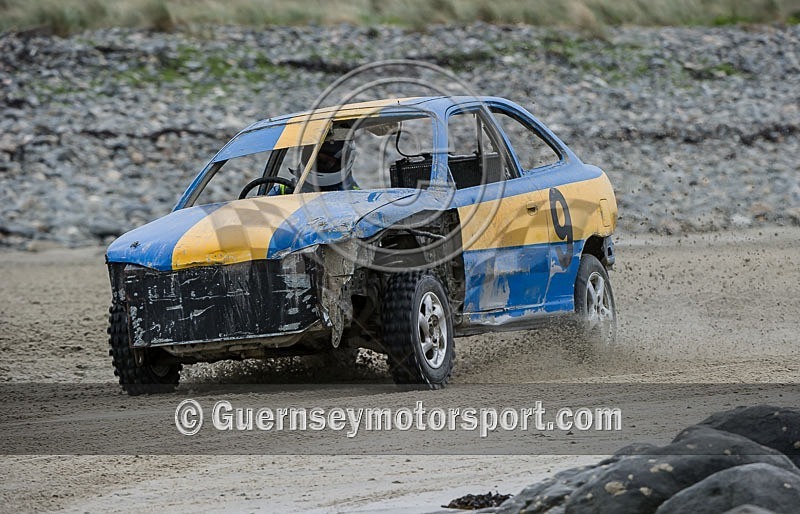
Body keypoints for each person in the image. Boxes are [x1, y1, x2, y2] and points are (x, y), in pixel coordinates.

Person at [270, 139, 359, 195]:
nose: (317, 164)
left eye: (326, 161)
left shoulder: (356, 197)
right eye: (315, 158)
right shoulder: (284, 190)